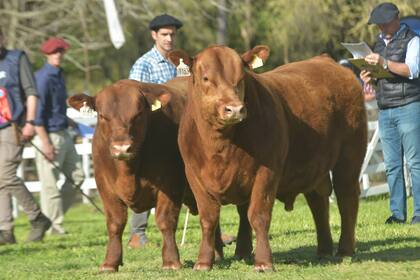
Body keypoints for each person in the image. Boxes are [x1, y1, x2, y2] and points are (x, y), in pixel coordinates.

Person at [360, 2, 420, 225]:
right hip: (385, 109)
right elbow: (383, 77)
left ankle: (419, 213)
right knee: (393, 165)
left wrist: (383, 62)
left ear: (396, 19)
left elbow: (412, 70)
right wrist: (371, 78)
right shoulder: (378, 44)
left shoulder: (413, 40)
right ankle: (397, 214)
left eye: (384, 24)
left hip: (409, 107)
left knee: (415, 163)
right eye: (378, 25)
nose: (381, 28)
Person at [127, 13, 183, 248]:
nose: (169, 39)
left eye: (172, 34)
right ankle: (137, 233)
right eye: (164, 34)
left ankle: (212, 233)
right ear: (154, 35)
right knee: (151, 180)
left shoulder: (180, 63)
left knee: (189, 177)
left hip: (179, 129)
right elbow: (132, 101)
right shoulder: (144, 64)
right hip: (153, 133)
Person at [0, 28, 52, 245]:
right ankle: (5, 230)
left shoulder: (16, 59)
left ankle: (37, 217)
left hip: (13, 126)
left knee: (6, 173)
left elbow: (31, 92)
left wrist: (30, 122)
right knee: (0, 179)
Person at [33, 37, 85, 234]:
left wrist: (70, 120)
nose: (58, 55)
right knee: (50, 186)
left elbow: (56, 106)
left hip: (63, 131)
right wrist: (45, 143)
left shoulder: (59, 73)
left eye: (60, 51)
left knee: (78, 176)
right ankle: (55, 227)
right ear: (46, 54)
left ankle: (51, 219)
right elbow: (38, 114)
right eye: (54, 52)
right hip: (48, 135)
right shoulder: (43, 78)